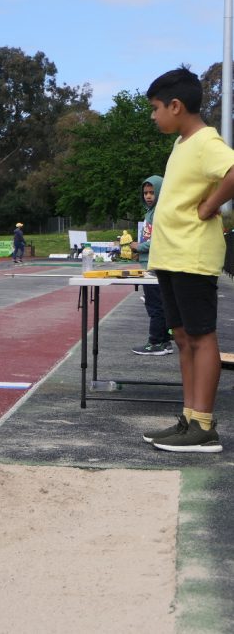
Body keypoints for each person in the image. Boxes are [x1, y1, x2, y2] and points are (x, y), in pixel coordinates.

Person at [141, 67, 234, 453]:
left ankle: (204, 425)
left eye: (155, 108)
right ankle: (189, 417)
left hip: (192, 254)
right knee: (181, 337)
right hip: (171, 253)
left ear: (176, 106)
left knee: (200, 335)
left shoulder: (205, 141)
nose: (153, 115)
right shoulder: (182, 143)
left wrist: (212, 204)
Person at [130, 176, 172, 356]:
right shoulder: (150, 212)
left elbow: (158, 241)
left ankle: (155, 342)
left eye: (152, 192)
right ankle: (164, 341)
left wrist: (138, 246)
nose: (148, 196)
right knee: (158, 304)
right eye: (145, 193)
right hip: (149, 262)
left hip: (154, 265)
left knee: (155, 305)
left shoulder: (159, 212)